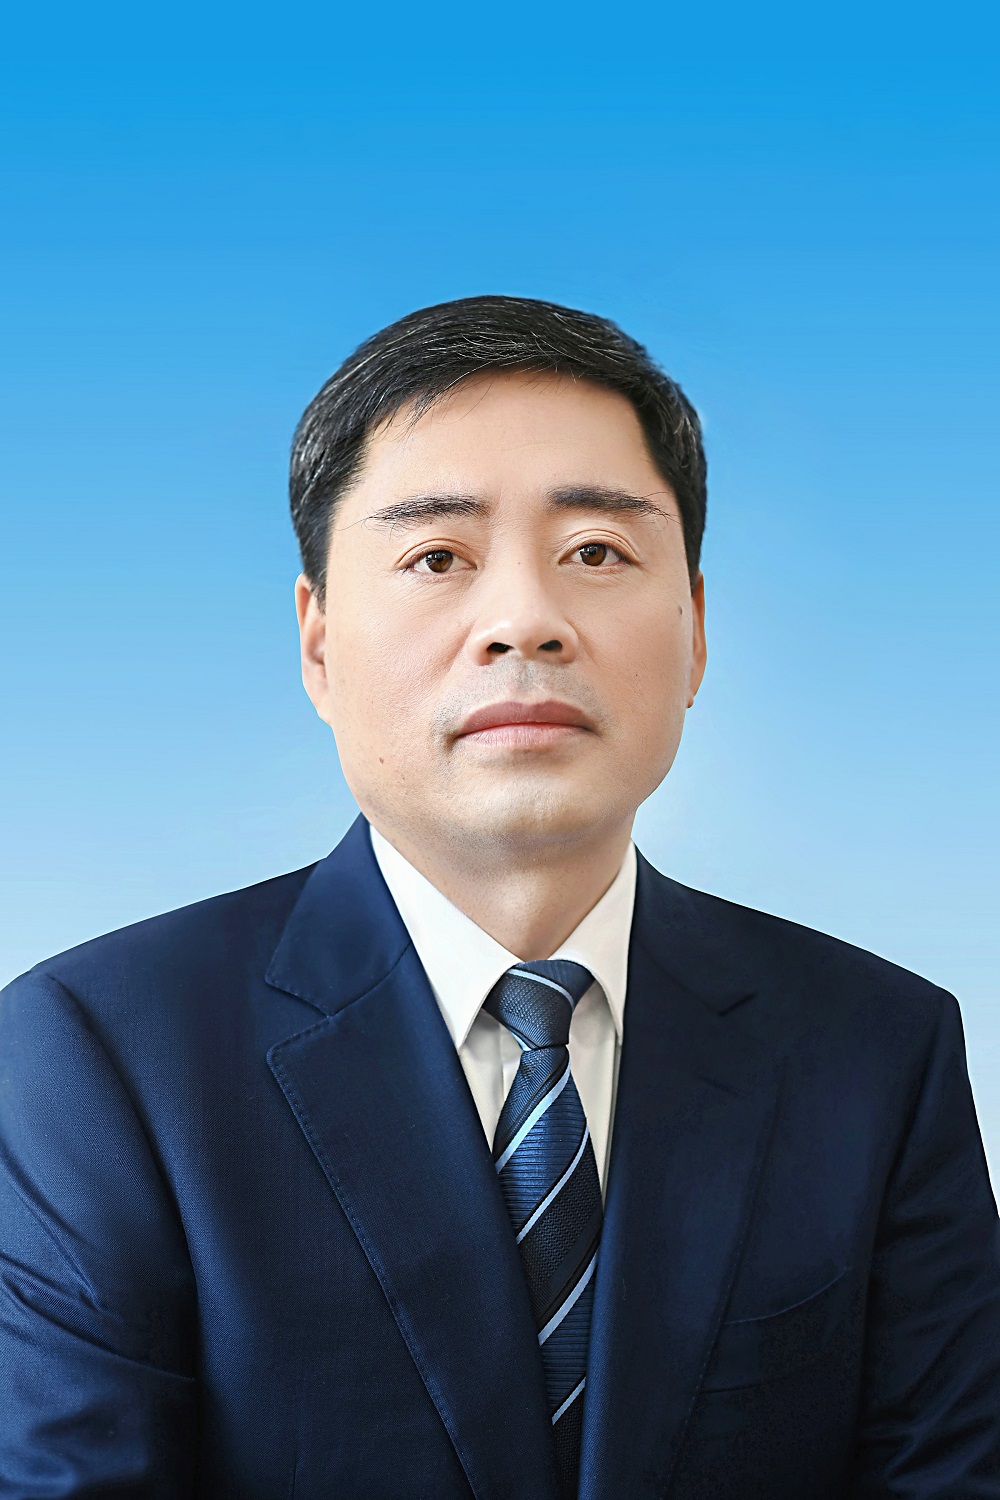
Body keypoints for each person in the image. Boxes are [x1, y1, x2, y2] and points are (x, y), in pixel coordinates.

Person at [1, 295, 997, 1500]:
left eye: (597, 552)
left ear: (693, 630)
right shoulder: (97, 1055)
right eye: (437, 558)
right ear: (318, 643)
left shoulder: (878, 1048)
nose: (525, 620)